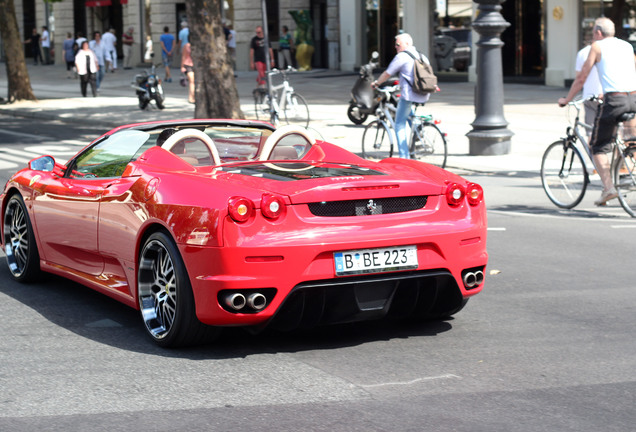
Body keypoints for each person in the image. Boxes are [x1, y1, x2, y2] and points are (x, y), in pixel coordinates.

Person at [558, 17, 636, 206]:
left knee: (597, 145)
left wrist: (567, 99)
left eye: (593, 31)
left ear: (599, 33)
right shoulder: (626, 46)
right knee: (631, 139)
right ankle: (627, 163)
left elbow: (581, 77)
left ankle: (608, 188)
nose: (593, 35)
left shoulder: (597, 47)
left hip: (614, 100)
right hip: (633, 98)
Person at [371, 33, 431, 158]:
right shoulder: (421, 55)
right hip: (424, 93)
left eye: (398, 44)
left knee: (399, 124)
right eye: (395, 45)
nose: (396, 47)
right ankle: (418, 135)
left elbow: (387, 73)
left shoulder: (402, 56)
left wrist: (376, 83)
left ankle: (404, 157)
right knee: (409, 116)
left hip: (409, 95)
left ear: (407, 43)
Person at [575, 40, 603, 131]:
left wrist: (567, 99)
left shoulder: (583, 52)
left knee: (591, 131)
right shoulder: (616, 49)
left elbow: (579, 78)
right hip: (610, 96)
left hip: (590, 96)